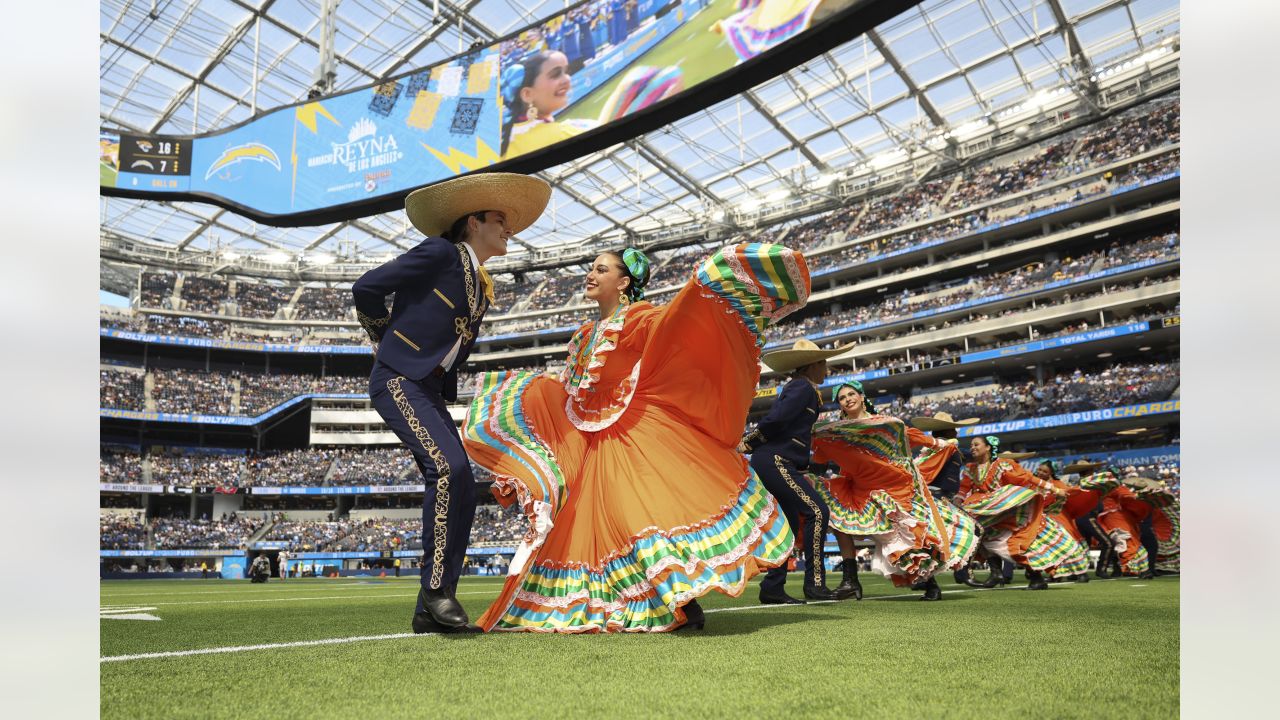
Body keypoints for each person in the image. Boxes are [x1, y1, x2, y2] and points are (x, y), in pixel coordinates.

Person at [462, 243, 808, 632]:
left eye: (601, 269)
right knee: (595, 528)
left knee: (645, 512)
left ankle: (684, 598)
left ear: (624, 282)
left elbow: (677, 333)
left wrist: (701, 288)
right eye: (591, 269)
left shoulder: (641, 317)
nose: (590, 275)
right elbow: (573, 391)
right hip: (590, 439)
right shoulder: (582, 336)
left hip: (635, 430)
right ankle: (647, 600)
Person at [352, 172, 552, 634]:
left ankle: (431, 605)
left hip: (428, 387)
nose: (508, 229)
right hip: (399, 378)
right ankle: (437, 593)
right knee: (449, 470)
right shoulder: (441, 252)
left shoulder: (481, 284)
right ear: (472, 222)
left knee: (461, 483)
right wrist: (382, 338)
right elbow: (367, 287)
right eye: (499, 220)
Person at [811, 383, 979, 601]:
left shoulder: (884, 423)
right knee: (837, 521)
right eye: (842, 398)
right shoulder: (835, 432)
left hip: (890, 486)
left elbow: (906, 434)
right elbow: (820, 460)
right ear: (840, 405)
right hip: (858, 489)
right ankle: (850, 581)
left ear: (862, 397)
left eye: (851, 394)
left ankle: (930, 583)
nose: (847, 399)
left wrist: (937, 442)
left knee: (900, 536)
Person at [742, 339, 854, 604]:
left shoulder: (805, 388)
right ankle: (815, 584)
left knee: (790, 526)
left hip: (779, 461)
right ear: (813, 365)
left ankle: (773, 588)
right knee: (817, 511)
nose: (826, 368)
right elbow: (777, 420)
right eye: (823, 363)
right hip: (776, 461)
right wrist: (748, 441)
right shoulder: (802, 386)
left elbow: (792, 433)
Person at [955, 436, 1090, 589]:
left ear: (988, 447)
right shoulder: (970, 468)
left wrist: (1054, 489)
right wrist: (957, 503)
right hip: (984, 511)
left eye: (976, 444)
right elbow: (964, 489)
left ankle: (1035, 577)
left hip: (1004, 510)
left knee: (1014, 543)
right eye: (971, 445)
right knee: (984, 540)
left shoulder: (1002, 465)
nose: (972, 447)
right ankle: (996, 574)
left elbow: (1028, 478)